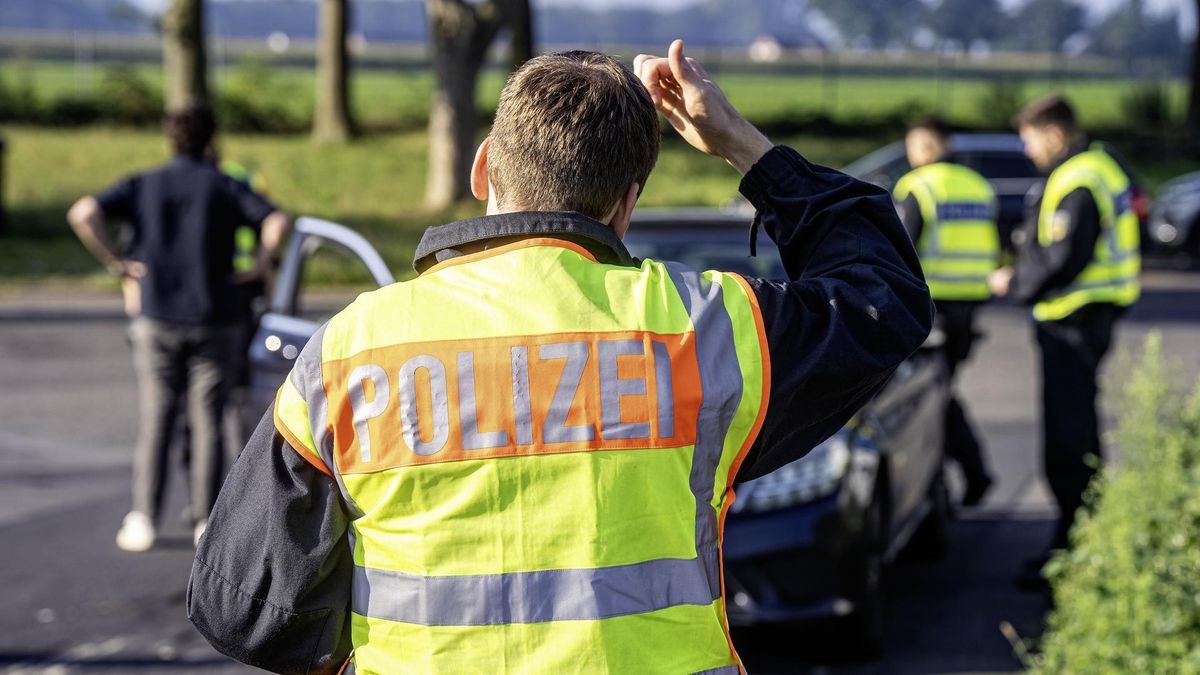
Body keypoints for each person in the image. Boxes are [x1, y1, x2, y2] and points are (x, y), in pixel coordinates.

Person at [188, 42, 932, 674]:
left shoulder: (353, 347)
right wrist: (742, 144)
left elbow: (241, 602)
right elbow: (884, 297)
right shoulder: (706, 329)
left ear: (484, 169)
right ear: (626, 205)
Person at [66, 104, 291, 552]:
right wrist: (262, 262)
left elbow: (82, 213)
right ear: (211, 140)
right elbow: (277, 220)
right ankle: (205, 519)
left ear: (169, 139)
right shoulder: (226, 186)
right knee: (208, 419)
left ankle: (144, 517)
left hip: (156, 318)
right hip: (217, 317)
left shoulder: (144, 183)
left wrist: (116, 262)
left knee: (157, 417)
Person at [988, 95, 1140, 588]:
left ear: (1053, 134)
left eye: (1029, 140)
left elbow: (1064, 258)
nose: (1028, 150)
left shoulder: (1078, 179)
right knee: (1075, 436)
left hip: (1073, 322)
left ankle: (1075, 554)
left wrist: (1018, 284)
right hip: (1087, 319)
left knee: (1069, 441)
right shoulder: (1102, 166)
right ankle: (1075, 543)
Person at [893, 116, 1000, 506]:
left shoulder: (918, 187)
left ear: (924, 147)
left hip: (929, 308)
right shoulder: (977, 186)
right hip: (970, 305)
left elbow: (898, 254)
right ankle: (962, 478)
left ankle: (966, 476)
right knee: (939, 392)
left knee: (928, 397)